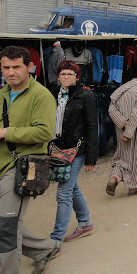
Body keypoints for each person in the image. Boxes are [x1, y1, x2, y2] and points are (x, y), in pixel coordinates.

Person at [0, 46, 59, 274]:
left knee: (7, 225)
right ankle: (43, 249)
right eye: (6, 67)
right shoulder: (2, 93)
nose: (11, 72)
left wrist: (2, 133)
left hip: (23, 166)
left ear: (28, 67)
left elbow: (45, 132)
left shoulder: (41, 95)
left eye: (16, 67)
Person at [49, 60, 97, 245]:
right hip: (58, 149)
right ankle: (85, 223)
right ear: (58, 75)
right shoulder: (52, 94)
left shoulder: (86, 96)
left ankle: (55, 239)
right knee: (72, 186)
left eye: (70, 74)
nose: (66, 77)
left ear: (77, 77)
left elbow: (92, 126)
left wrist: (91, 157)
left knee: (63, 192)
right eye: (63, 73)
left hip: (77, 150)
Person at [107, 63, 137, 196]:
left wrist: (123, 123)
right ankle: (135, 187)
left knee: (122, 156)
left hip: (121, 128)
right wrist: (129, 132)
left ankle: (114, 177)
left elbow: (111, 109)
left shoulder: (121, 89)